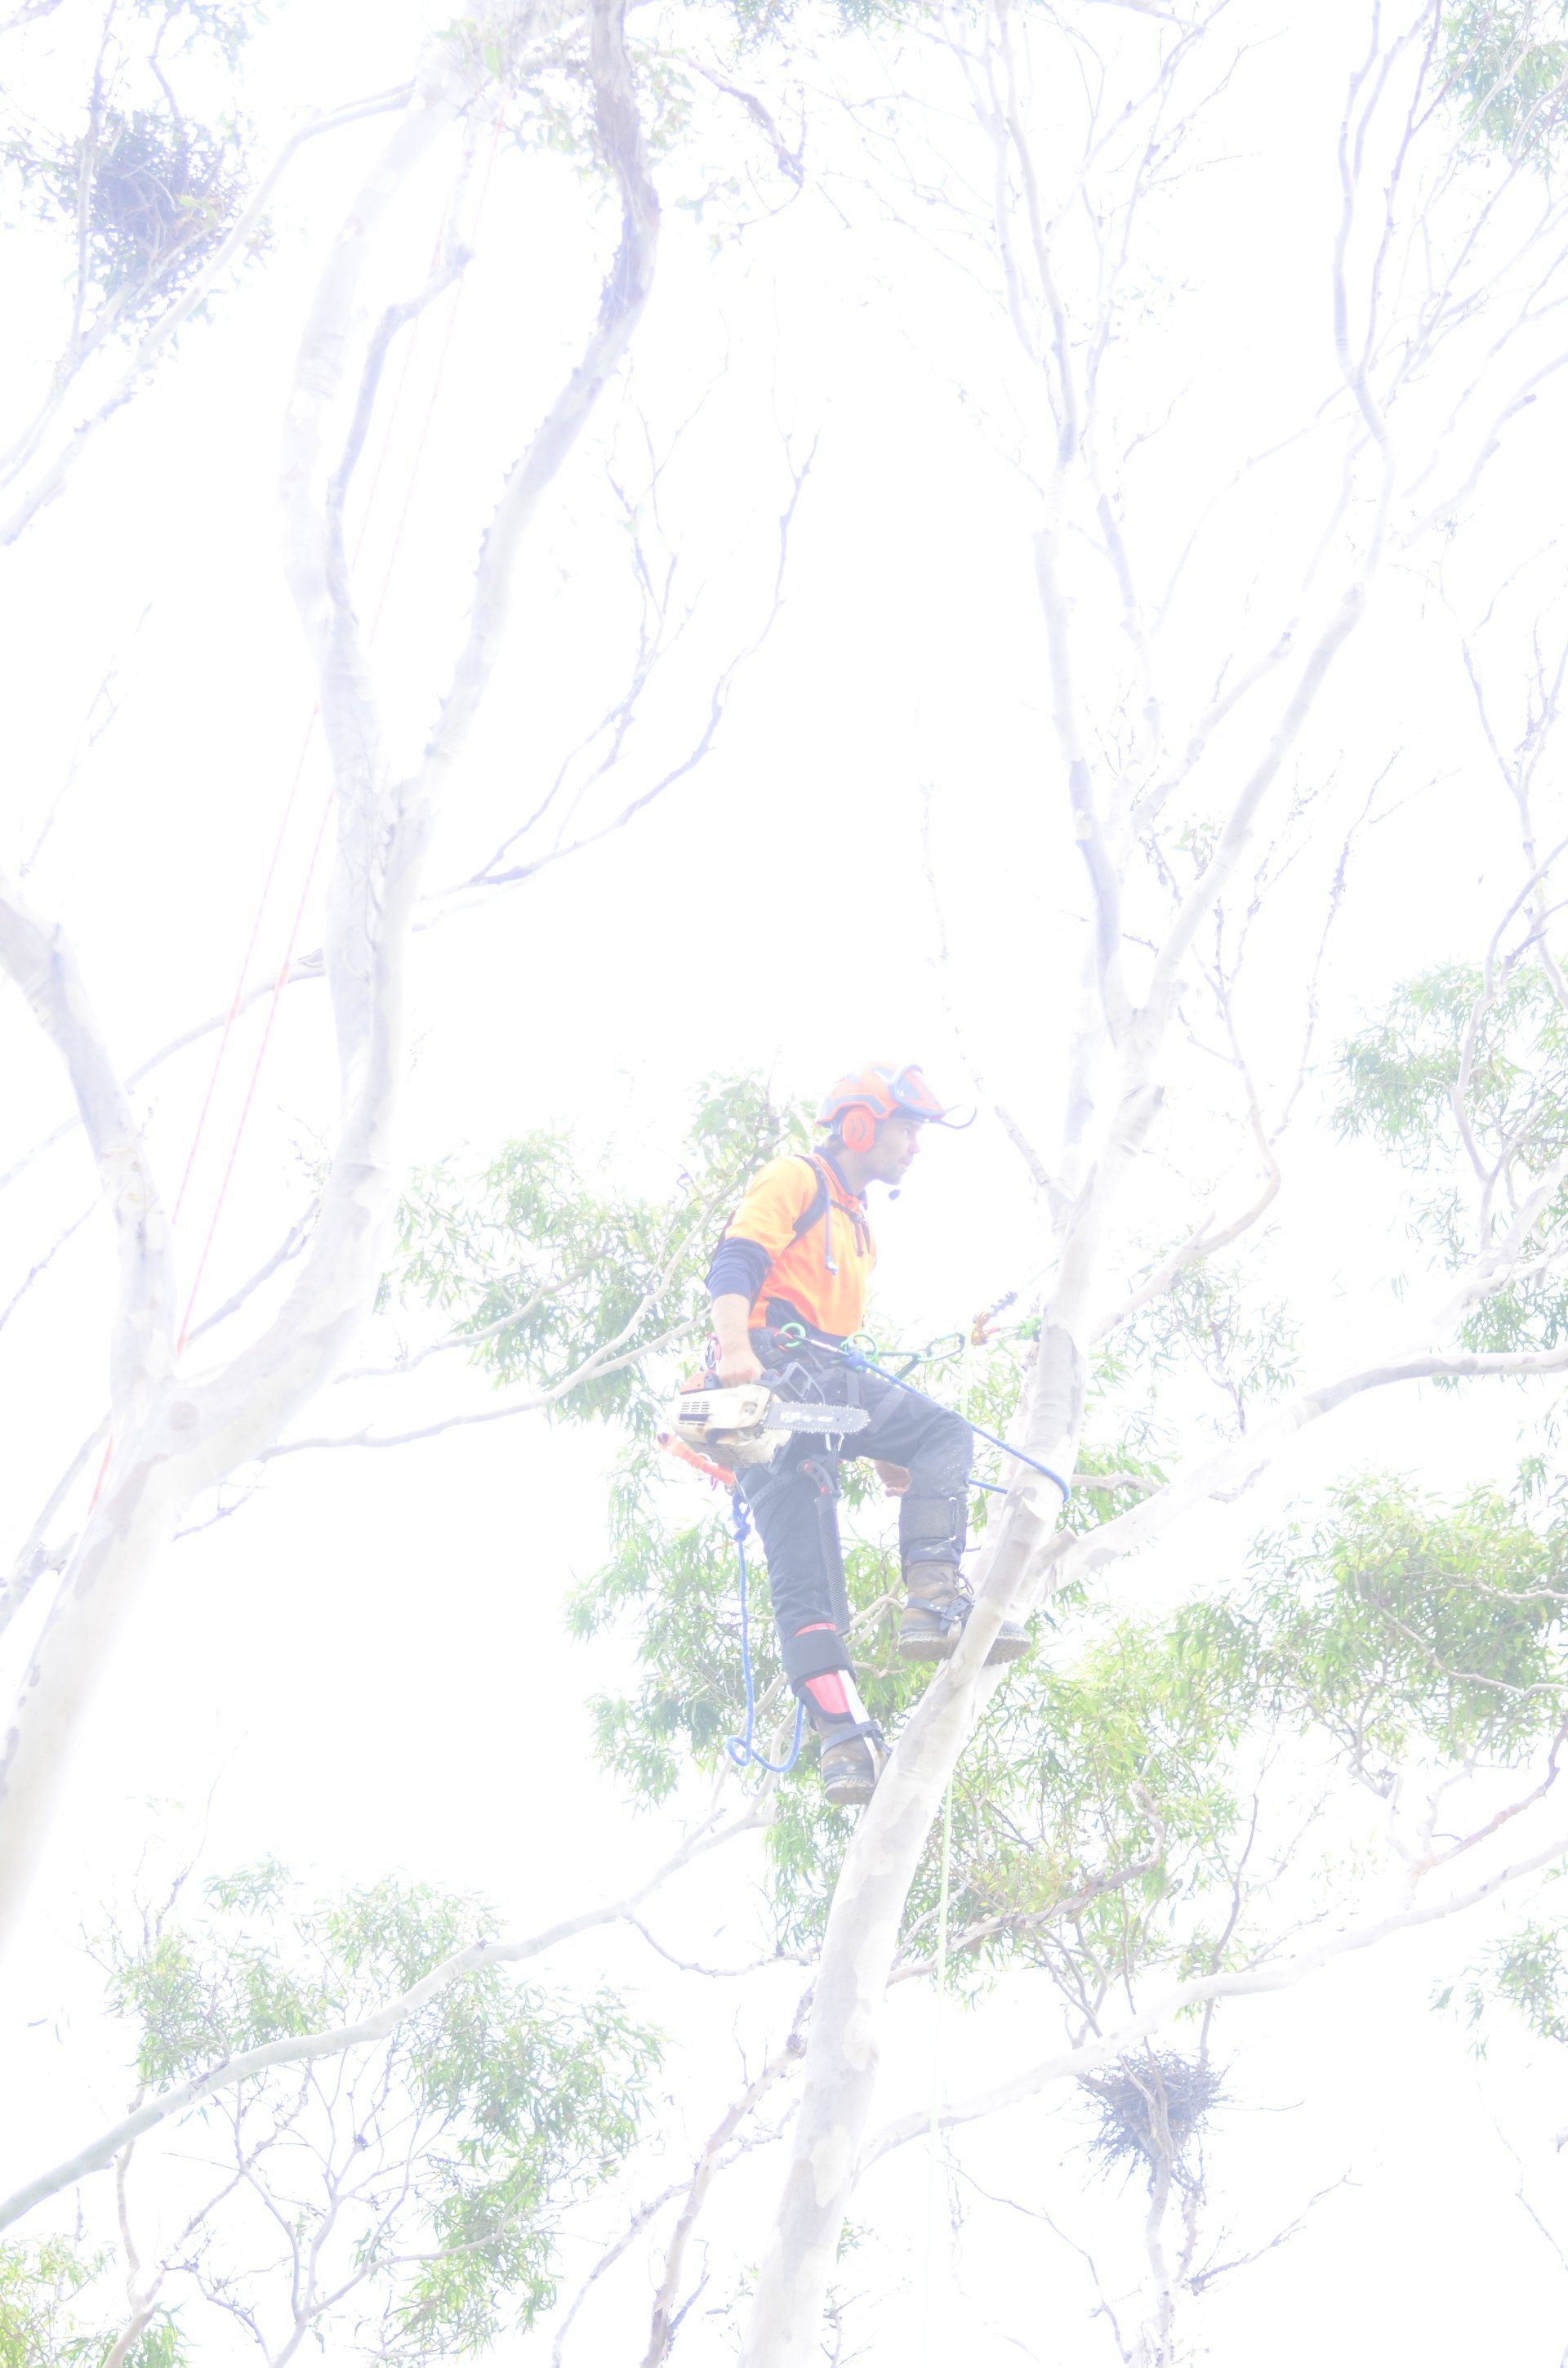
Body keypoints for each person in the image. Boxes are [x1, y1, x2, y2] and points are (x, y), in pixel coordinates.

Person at [705, 1064, 1027, 1807]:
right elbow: (736, 1261)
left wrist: (881, 1445)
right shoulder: (797, 1177)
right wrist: (735, 1353)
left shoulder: (857, 1225)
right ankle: (935, 1597)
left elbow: (837, 1347)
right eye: (907, 1126)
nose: (916, 1144)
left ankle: (846, 1747)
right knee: (944, 1432)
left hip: (810, 1394)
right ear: (859, 1124)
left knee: (813, 1595)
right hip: (775, 1375)